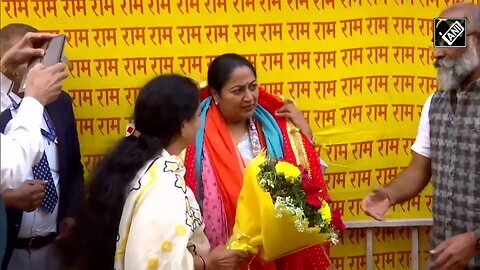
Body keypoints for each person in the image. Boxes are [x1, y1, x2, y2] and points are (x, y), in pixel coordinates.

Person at [71, 74, 247, 270]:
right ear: (182, 126)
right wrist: (208, 263)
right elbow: (153, 263)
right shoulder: (163, 188)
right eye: (198, 116)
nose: (200, 123)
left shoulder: (141, 164)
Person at [183, 53, 334, 269]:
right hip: (219, 254)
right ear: (216, 94)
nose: (249, 97)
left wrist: (306, 136)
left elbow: (306, 183)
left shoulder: (275, 128)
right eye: (238, 91)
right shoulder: (194, 133)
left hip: (271, 251)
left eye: (253, 87)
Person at [361, 3, 480, 270]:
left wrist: (475, 240)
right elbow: (418, 170)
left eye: (449, 38)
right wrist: (389, 195)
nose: (437, 53)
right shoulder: (434, 104)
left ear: (477, 39)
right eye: (436, 41)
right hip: (444, 260)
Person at [0, 23, 85, 270]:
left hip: (52, 247)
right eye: (31, 60)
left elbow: (73, 165)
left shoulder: (60, 103)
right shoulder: (23, 106)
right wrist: (7, 199)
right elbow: (11, 167)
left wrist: (72, 214)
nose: (40, 67)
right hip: (8, 248)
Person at [0, 31, 67, 189]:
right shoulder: (34, 102)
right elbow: (10, 168)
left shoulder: (60, 103)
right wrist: (35, 101)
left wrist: (4, 70)